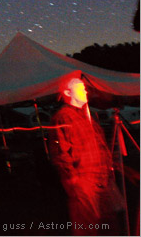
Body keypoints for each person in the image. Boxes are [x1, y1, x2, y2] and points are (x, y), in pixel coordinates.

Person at [49, 76, 125, 235]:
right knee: (87, 226)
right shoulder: (64, 117)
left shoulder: (89, 117)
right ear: (67, 92)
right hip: (85, 180)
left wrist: (111, 167)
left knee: (108, 225)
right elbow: (60, 152)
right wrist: (73, 180)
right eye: (80, 88)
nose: (85, 91)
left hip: (102, 178)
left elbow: (100, 146)